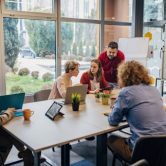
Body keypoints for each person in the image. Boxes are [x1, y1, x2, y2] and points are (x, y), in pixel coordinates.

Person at [107, 60, 166, 161]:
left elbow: (113, 121)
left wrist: (116, 110)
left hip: (141, 149)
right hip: (163, 147)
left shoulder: (125, 92)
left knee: (111, 138)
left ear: (123, 76)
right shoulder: (154, 90)